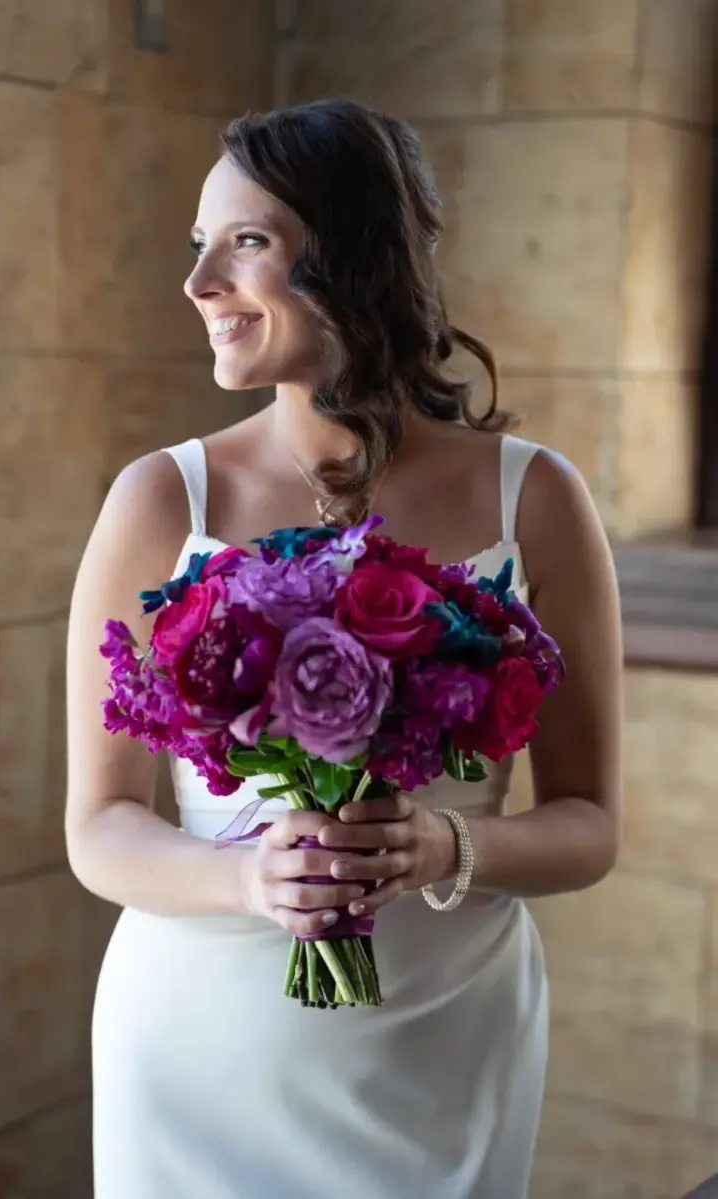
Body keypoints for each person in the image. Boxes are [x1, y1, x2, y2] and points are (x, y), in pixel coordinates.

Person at [65, 98, 623, 1198]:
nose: (199, 283)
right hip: (197, 1047)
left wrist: (443, 847)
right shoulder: (161, 498)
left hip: (444, 1041)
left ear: (355, 254)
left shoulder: (537, 498)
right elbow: (98, 826)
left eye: (246, 241)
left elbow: (590, 824)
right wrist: (246, 875)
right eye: (200, 244)